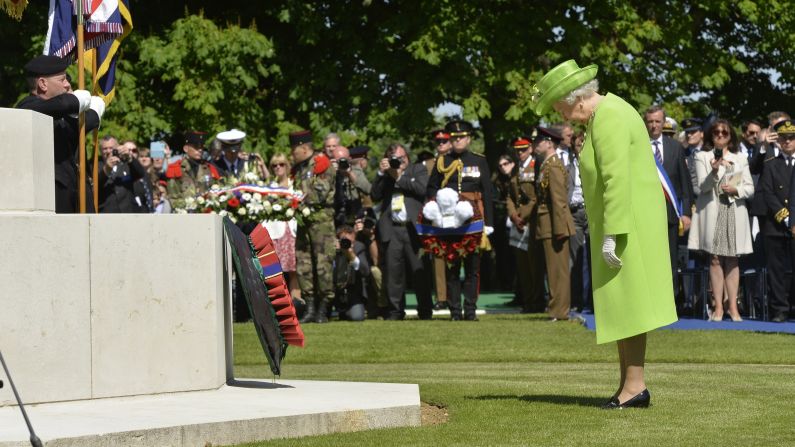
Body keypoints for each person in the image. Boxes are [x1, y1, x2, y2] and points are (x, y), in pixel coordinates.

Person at [532, 59, 677, 408]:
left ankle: (635, 386)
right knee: (621, 307)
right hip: (625, 222)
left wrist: (613, 232)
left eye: (559, 107)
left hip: (626, 225)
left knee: (630, 307)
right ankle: (628, 385)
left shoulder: (609, 115)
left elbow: (615, 180)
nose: (561, 116)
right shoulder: (606, 113)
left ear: (575, 98)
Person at [16, 54, 106, 213]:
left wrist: (93, 110)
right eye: (62, 79)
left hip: (77, 199)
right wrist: (77, 101)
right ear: (43, 83)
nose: (67, 85)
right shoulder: (28, 107)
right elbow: (63, 105)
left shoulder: (60, 112)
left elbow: (81, 124)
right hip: (53, 203)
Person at [427, 120, 494, 321]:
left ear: (469, 138)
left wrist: (489, 223)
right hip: (449, 220)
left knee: (473, 268)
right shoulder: (442, 162)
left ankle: (470, 310)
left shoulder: (479, 160)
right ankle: (455, 311)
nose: (458, 141)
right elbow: (431, 188)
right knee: (452, 266)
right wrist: (436, 210)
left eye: (462, 137)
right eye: (454, 138)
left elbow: (487, 192)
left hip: (474, 218)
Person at [688, 119, 754, 322]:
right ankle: (717, 307)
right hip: (712, 212)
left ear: (730, 137)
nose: (719, 135)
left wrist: (736, 190)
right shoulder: (702, 156)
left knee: (733, 259)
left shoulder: (740, 158)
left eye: (724, 133)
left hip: (733, 211)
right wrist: (714, 170)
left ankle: (733, 307)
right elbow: (701, 188)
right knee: (715, 259)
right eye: (716, 132)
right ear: (710, 135)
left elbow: (750, 188)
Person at [372, 143, 432, 320]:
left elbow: (422, 189)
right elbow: (374, 195)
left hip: (413, 228)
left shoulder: (418, 170)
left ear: (408, 157)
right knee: (394, 273)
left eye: (402, 158)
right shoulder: (386, 175)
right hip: (393, 229)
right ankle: (395, 312)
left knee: (419, 271)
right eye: (395, 159)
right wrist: (382, 173)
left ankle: (425, 310)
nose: (400, 162)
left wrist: (398, 176)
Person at [645, 105, 694, 299]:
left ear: (663, 122)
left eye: (657, 121)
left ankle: (669, 299)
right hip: (645, 213)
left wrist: (687, 213)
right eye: (650, 121)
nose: (654, 125)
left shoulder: (675, 147)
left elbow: (685, 182)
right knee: (648, 258)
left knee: (670, 258)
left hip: (670, 213)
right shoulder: (636, 146)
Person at [290, 129, 336, 323]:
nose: (292, 152)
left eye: (294, 148)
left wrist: (295, 201)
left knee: (323, 264)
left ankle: (323, 308)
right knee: (303, 263)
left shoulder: (321, 164)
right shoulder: (299, 168)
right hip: (304, 221)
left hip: (321, 222)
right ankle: (309, 307)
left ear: (304, 147)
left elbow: (320, 193)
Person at [533, 127, 576, 320]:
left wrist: (560, 229)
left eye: (539, 142)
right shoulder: (547, 165)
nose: (535, 145)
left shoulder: (554, 167)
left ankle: (559, 311)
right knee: (554, 270)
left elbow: (559, 200)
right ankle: (556, 310)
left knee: (558, 271)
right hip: (549, 223)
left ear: (549, 143)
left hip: (554, 224)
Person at [505, 139, 545, 313]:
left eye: (523, 150)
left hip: (532, 220)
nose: (520, 153)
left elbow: (537, 196)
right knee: (522, 266)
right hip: (518, 221)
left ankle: (537, 302)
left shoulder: (537, 165)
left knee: (534, 265)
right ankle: (527, 301)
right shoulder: (516, 168)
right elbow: (510, 196)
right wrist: (513, 215)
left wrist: (523, 215)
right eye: (517, 151)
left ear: (530, 149)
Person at [263, 152, 300, 305]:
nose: (278, 167)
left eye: (281, 164)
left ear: (287, 165)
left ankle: (297, 304)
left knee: (293, 271)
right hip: (274, 232)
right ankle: (279, 306)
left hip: (291, 231)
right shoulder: (269, 188)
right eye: (274, 165)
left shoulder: (294, 185)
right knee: (275, 272)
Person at [427, 129, 452, 311]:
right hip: (438, 214)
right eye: (438, 142)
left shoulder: (458, 160)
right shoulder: (431, 163)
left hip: (457, 213)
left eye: (444, 141)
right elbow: (428, 188)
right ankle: (442, 297)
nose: (441, 144)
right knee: (438, 256)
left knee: (459, 254)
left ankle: (456, 296)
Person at [165, 131, 221, 203]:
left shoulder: (209, 169)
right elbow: (173, 198)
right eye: (196, 147)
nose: (200, 150)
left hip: (207, 211)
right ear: (186, 148)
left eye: (201, 147)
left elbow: (217, 190)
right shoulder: (176, 169)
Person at [97, 136, 147, 213]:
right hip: (106, 214)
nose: (108, 151)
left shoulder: (126, 163)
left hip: (127, 213)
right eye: (105, 148)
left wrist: (130, 158)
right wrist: (106, 170)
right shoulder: (94, 165)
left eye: (111, 148)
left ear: (117, 148)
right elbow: (94, 185)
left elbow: (140, 174)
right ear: (100, 150)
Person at [333, 225, 370, 321]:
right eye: (344, 240)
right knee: (322, 316)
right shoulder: (331, 248)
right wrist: (334, 252)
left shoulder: (359, 247)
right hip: (332, 292)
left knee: (357, 317)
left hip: (353, 292)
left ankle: (345, 311)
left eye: (350, 241)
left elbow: (366, 271)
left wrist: (351, 255)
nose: (347, 243)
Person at [333, 145, 372, 227]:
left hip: (353, 217)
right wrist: (331, 171)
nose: (341, 163)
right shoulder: (329, 171)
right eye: (338, 161)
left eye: (344, 160)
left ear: (349, 159)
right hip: (334, 216)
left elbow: (368, 190)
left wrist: (350, 174)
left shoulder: (354, 171)